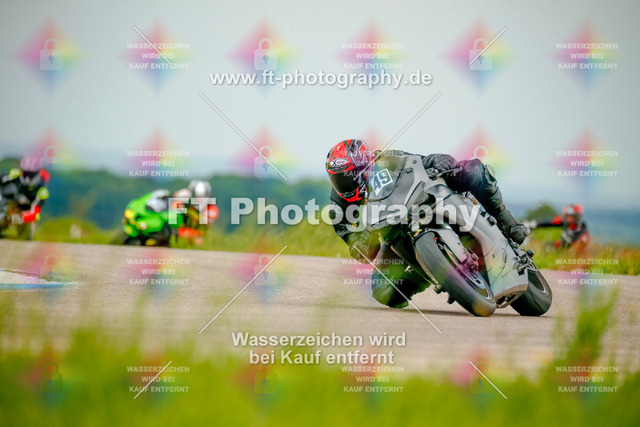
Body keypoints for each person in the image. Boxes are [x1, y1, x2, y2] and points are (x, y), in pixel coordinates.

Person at [325, 139, 529, 308]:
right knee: (383, 292)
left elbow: (421, 161)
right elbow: (347, 234)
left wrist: (441, 164)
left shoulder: (387, 159)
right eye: (338, 179)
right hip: (392, 231)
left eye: (348, 176)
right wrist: (359, 245)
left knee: (472, 170)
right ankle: (424, 274)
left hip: (422, 203)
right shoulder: (339, 203)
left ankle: (507, 221)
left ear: (365, 165)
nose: (345, 184)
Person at [0, 157, 50, 233]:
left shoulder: (41, 190)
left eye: (30, 174)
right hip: (8, 204)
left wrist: (21, 218)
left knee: (26, 232)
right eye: (26, 173)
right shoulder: (15, 176)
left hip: (24, 214)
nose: (27, 177)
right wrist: (8, 177)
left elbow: (35, 213)